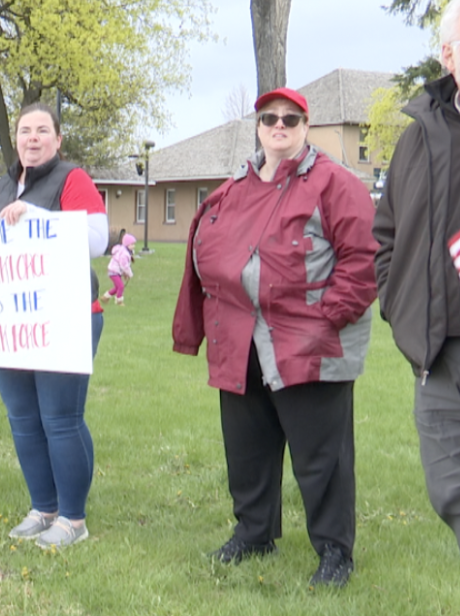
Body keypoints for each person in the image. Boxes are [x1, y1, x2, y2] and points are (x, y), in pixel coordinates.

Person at [173, 88, 377, 587]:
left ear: (306, 125)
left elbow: (364, 257)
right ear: (259, 127)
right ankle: (254, 532)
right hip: (239, 339)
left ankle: (335, 551)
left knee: (321, 457)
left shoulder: (335, 183)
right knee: (247, 448)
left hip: (309, 344)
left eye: (290, 118)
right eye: (269, 118)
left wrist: (328, 318)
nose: (278, 126)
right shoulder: (233, 188)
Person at [0, 104, 108, 548]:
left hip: (66, 315)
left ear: (58, 139)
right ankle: (44, 507)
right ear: (15, 139)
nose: (32, 138)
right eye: (24, 131)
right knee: (22, 418)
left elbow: (97, 240)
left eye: (42, 130)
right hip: (12, 319)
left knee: (60, 418)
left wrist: (36, 217)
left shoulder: (72, 179)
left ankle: (73, 518)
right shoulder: (0, 187)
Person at [374, 1, 460, 555]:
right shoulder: (419, 136)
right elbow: (385, 233)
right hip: (437, 351)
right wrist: (395, 302)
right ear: (447, 55)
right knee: (448, 490)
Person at [102, 233, 136, 306]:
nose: (134, 246)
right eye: (132, 244)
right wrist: (129, 273)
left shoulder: (125, 252)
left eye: (134, 244)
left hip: (116, 270)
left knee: (117, 287)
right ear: (127, 245)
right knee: (121, 286)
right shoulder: (124, 254)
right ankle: (119, 301)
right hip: (114, 271)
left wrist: (125, 273)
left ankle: (105, 297)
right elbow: (124, 266)